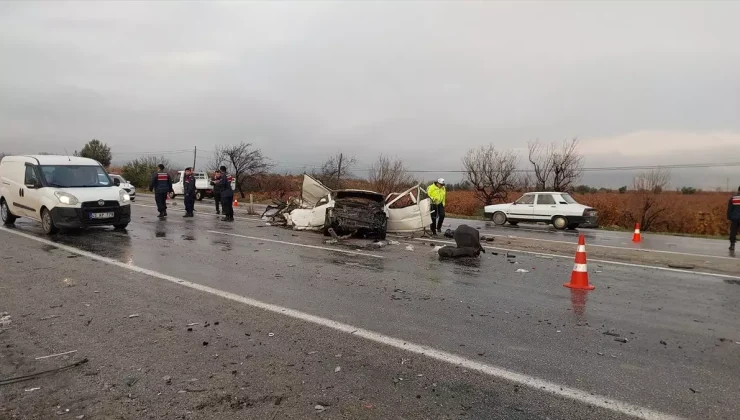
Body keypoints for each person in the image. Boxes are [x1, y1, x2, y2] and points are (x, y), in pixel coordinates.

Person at [728, 186, 740, 251]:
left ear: (738, 190)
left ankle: (732, 245)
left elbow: (730, 209)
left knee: (733, 232)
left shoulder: (733, 198)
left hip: (734, 218)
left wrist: (729, 217)